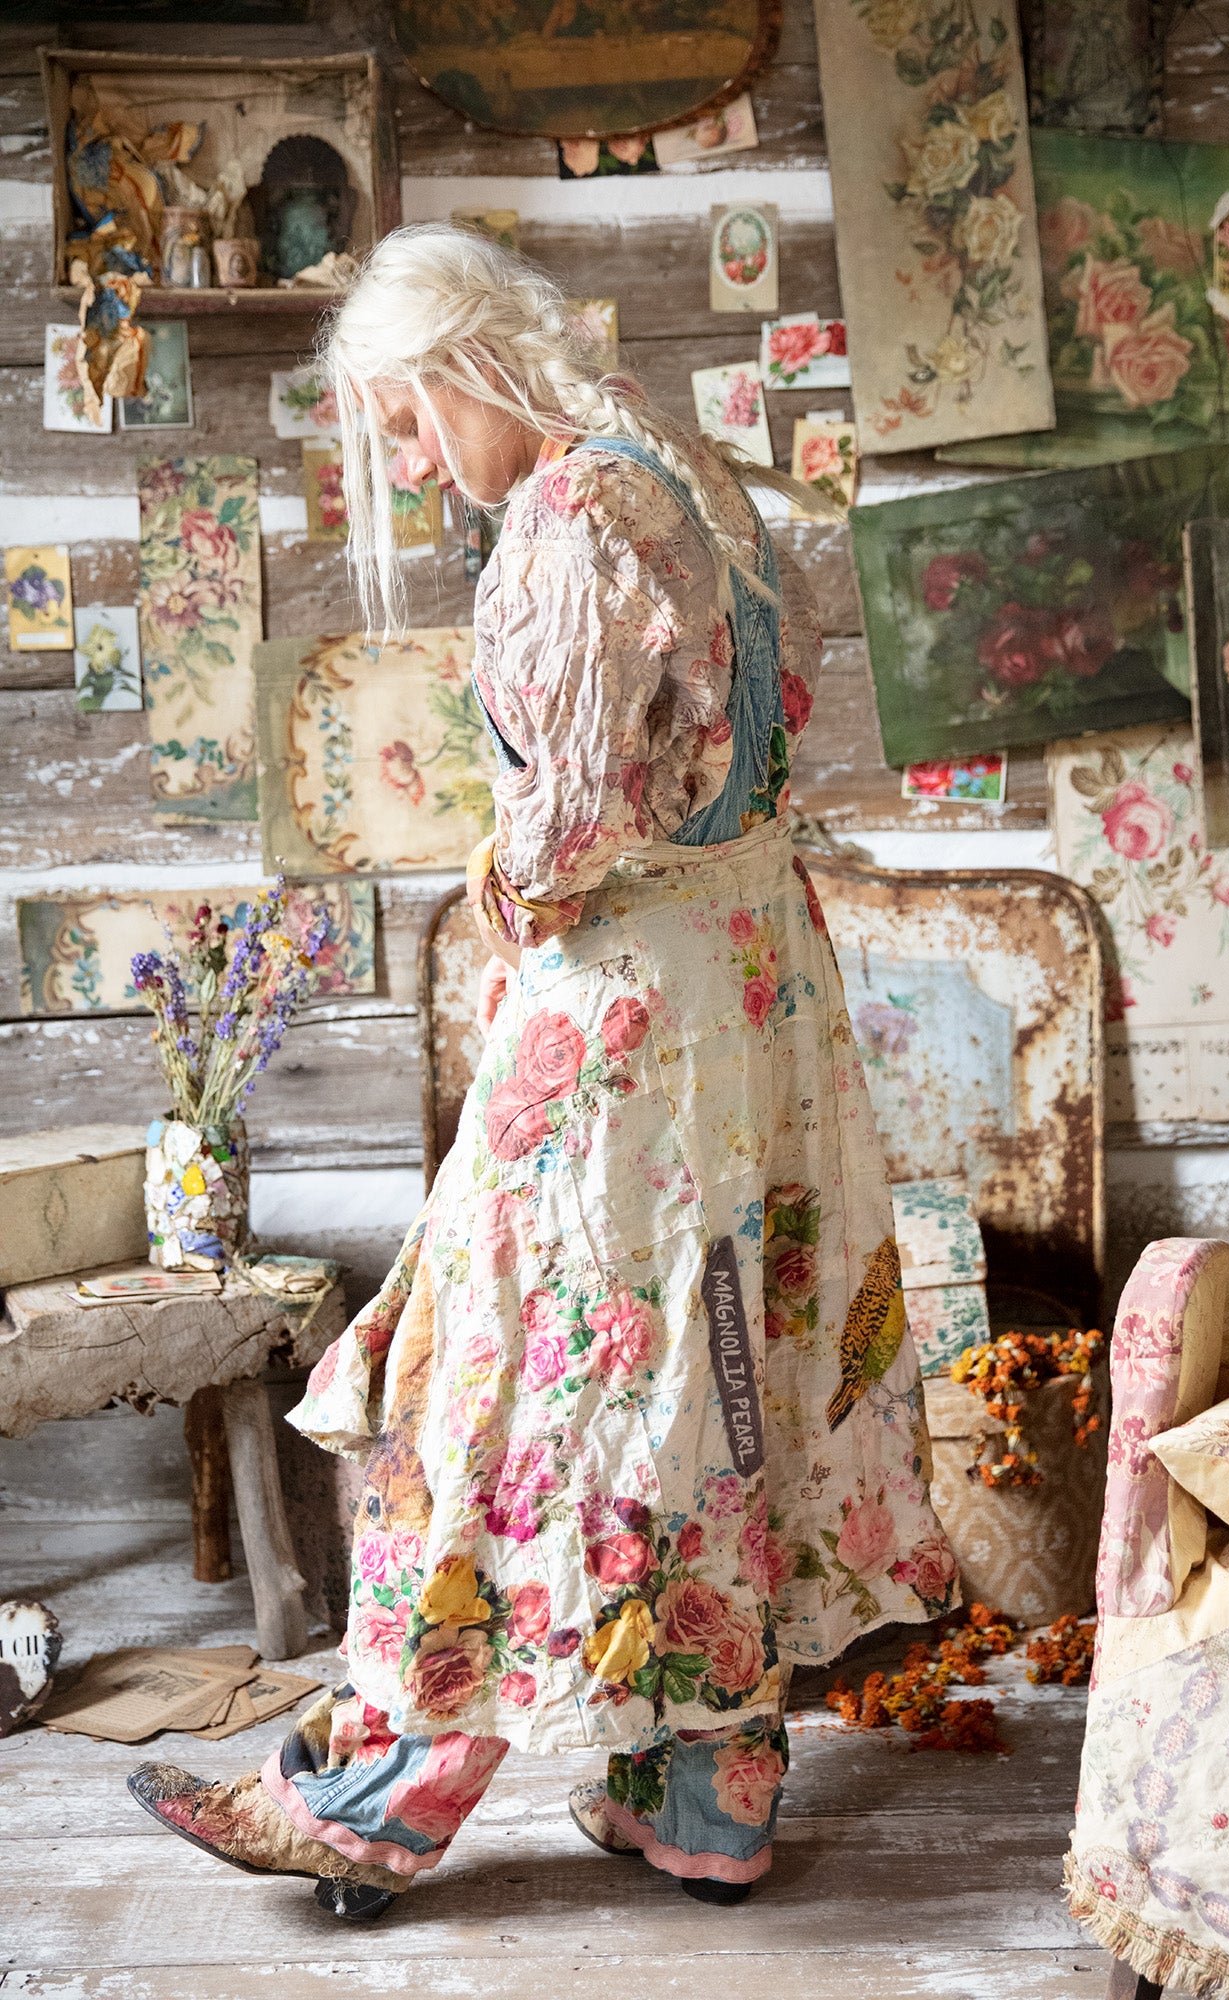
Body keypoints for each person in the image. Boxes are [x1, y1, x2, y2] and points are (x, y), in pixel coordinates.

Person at [129, 223, 959, 1921]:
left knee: (492, 1374)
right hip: (757, 987)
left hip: (625, 1006)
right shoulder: (691, 471)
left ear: (465, 364)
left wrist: (501, 892)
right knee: (712, 1367)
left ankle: (376, 1798)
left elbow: (568, 829)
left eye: (406, 420)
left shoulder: (569, 512)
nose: (408, 461)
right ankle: (703, 1798)